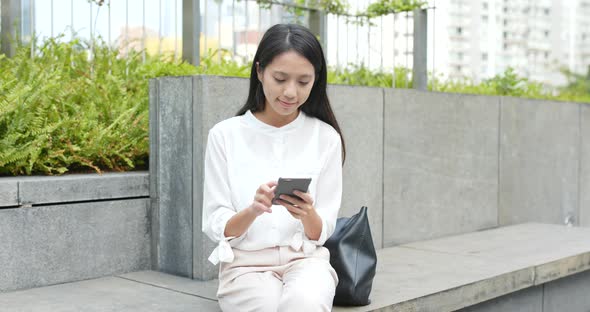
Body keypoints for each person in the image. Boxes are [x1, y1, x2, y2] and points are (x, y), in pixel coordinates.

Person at [202, 23, 346, 312]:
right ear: (259, 72)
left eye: (304, 82)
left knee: (304, 304)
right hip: (245, 266)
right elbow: (217, 223)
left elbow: (323, 231)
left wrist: (307, 214)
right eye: (280, 78)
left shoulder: (326, 137)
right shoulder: (225, 135)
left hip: (306, 262)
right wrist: (253, 210)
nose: (290, 92)